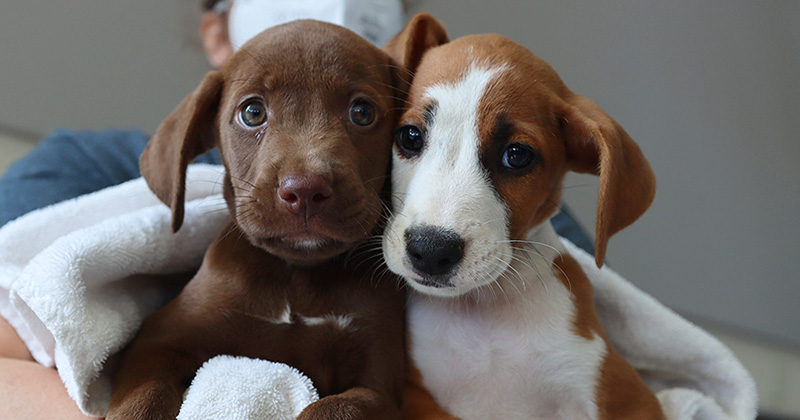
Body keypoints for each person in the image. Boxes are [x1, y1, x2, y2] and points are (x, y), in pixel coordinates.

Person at [0, 1, 594, 418]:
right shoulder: (80, 163)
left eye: (363, 113)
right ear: (215, 31)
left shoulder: (482, 205)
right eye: (253, 114)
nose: (306, 173)